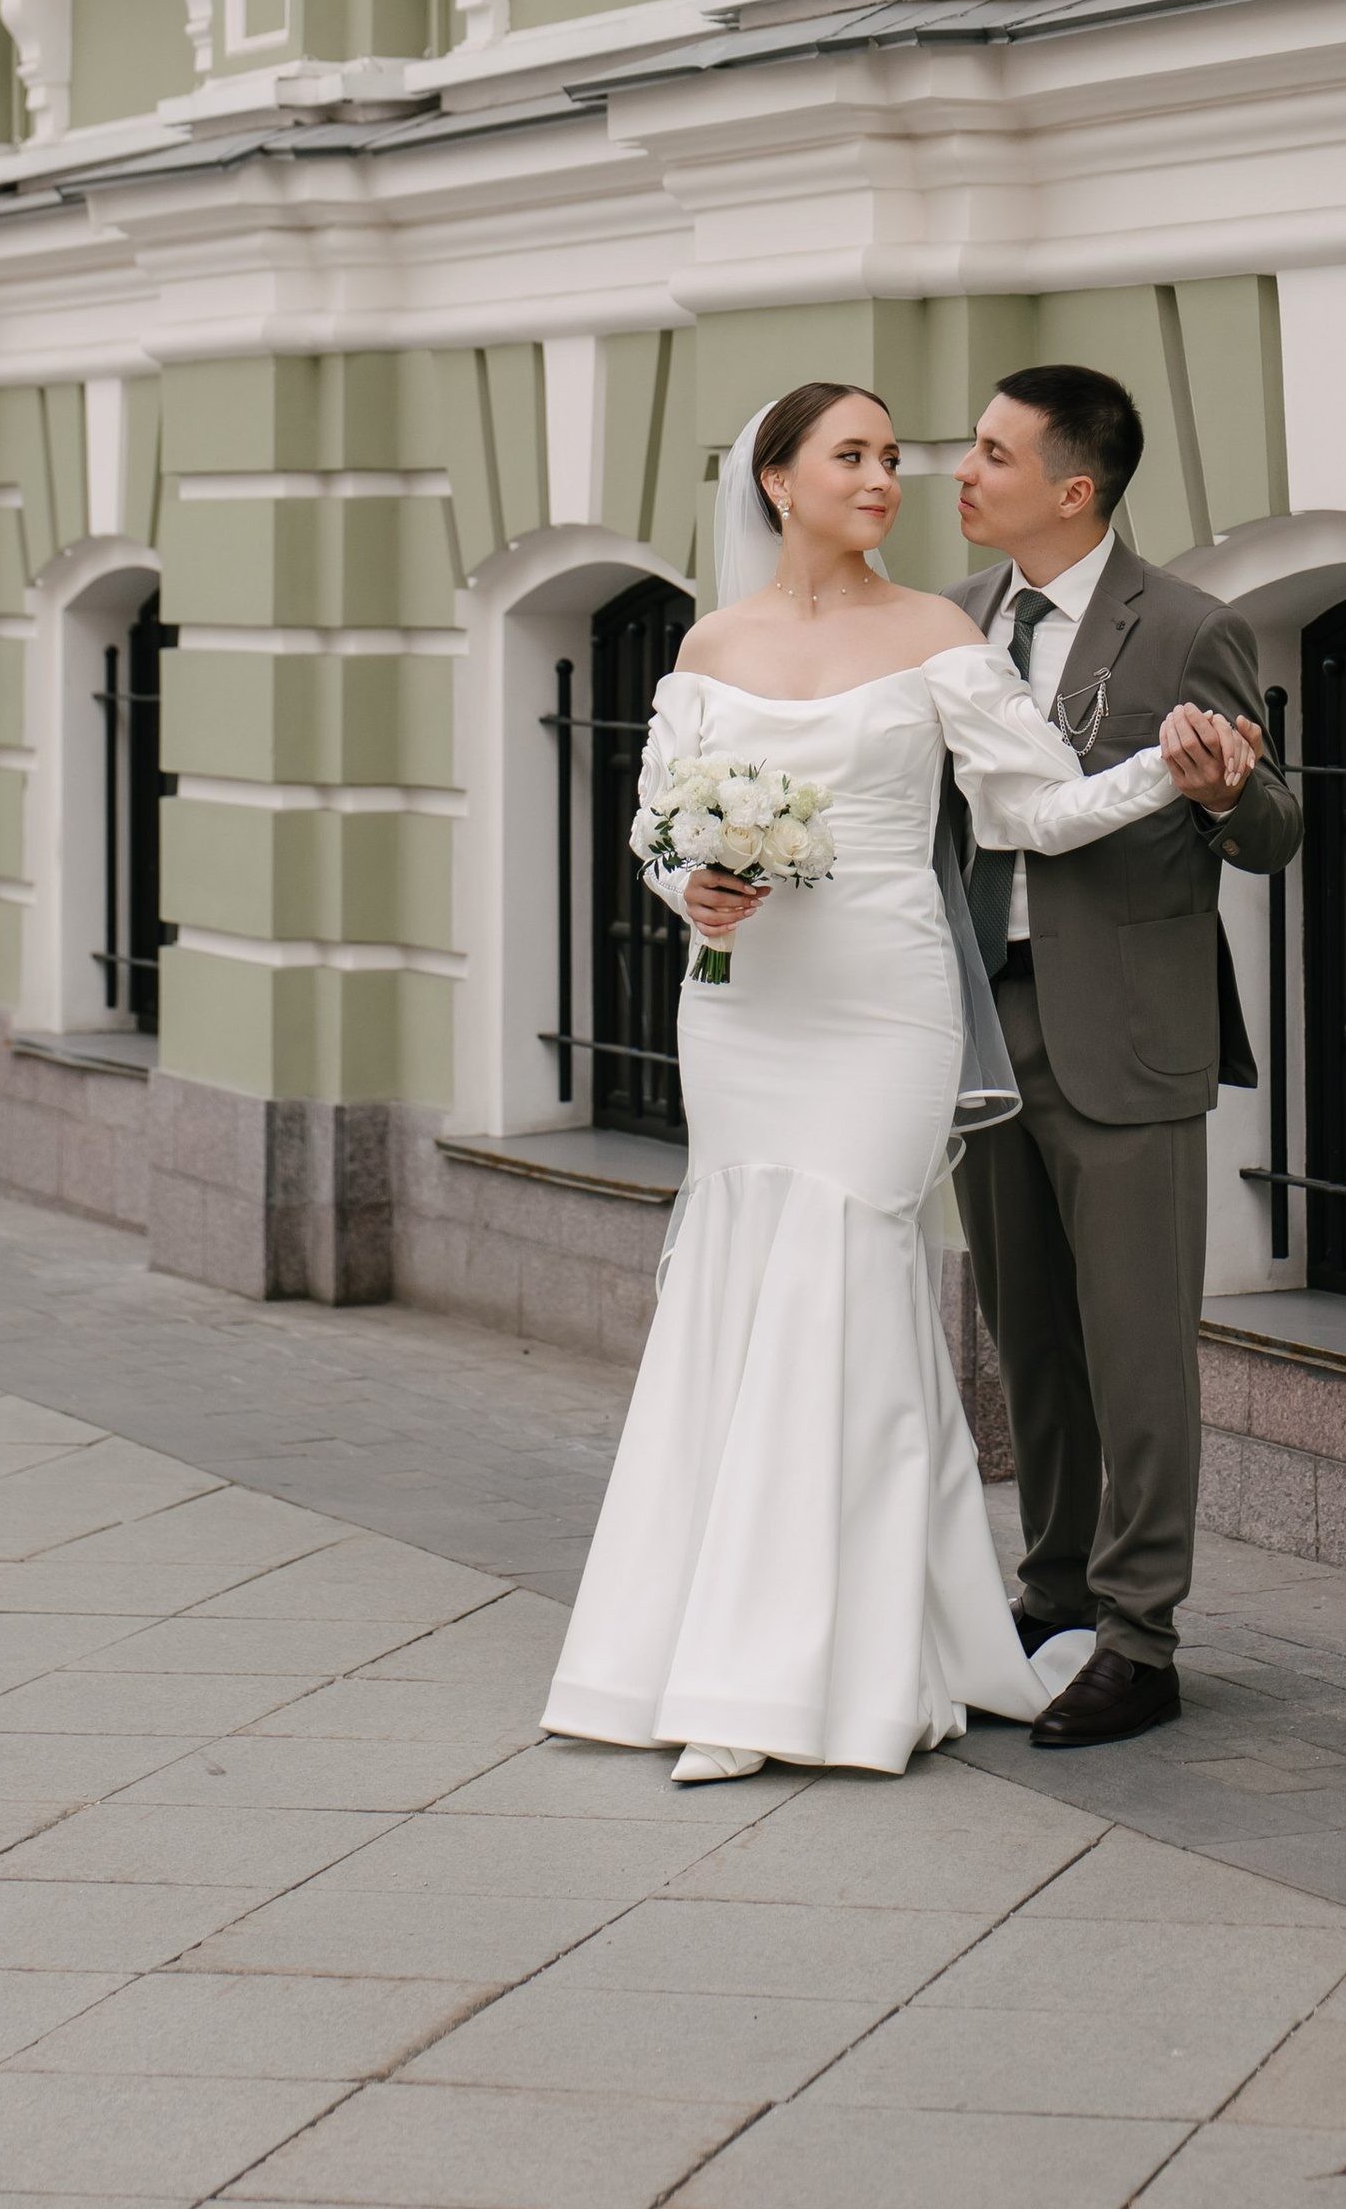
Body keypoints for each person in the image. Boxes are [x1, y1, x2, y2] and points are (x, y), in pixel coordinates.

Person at [539, 380, 1254, 1785]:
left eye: (896, 457)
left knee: (851, 1282)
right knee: (742, 1288)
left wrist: (1171, 778)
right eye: (853, 456)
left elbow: (1032, 806)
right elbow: (654, 825)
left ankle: (843, 1662)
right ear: (777, 481)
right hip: (745, 1011)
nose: (890, 478)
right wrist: (692, 888)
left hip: (888, 1007)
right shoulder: (710, 643)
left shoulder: (936, 633)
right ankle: (717, 1644)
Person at [948, 365, 1301, 1748]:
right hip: (989, 1024)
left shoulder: (1191, 626)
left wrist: (1223, 794)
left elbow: (1276, 826)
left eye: (994, 453)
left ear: (1074, 488)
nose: (963, 472)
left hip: (1131, 1036)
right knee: (1027, 1336)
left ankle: (1140, 1637)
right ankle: (1051, 1597)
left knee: (1137, 1349)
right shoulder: (956, 620)